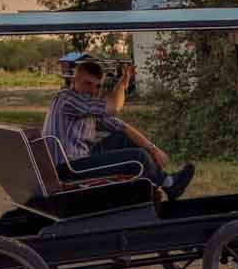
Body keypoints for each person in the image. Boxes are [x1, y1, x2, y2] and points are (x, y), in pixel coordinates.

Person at [42, 58, 195, 200]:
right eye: (87, 84)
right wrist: (122, 85)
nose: (93, 90)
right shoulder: (68, 99)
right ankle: (168, 184)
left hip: (80, 160)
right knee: (138, 157)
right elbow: (114, 107)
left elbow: (122, 126)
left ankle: (158, 183)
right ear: (74, 81)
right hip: (67, 169)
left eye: (98, 86)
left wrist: (153, 148)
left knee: (123, 138)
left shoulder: (86, 106)